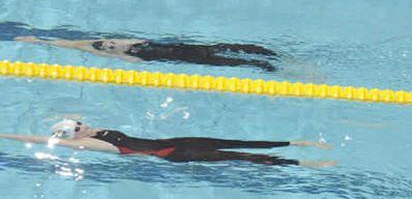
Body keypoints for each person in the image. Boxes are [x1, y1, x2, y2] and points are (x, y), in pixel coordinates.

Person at [0, 119, 334, 167]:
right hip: (175, 152)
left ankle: (296, 143)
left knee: (238, 140)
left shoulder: (92, 130)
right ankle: (306, 164)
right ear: (74, 137)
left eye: (79, 122)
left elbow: (62, 126)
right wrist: (7, 136)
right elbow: (42, 139)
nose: (82, 125)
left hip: (176, 140)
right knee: (239, 156)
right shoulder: (89, 144)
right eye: (77, 127)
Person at [15, 36, 281, 72]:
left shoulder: (134, 43)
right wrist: (40, 41)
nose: (109, 45)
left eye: (108, 42)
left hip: (195, 48)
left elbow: (82, 42)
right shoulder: (131, 57)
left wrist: (42, 38)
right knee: (235, 62)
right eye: (107, 47)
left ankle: (268, 53)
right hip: (192, 58)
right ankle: (262, 66)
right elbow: (80, 47)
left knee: (241, 48)